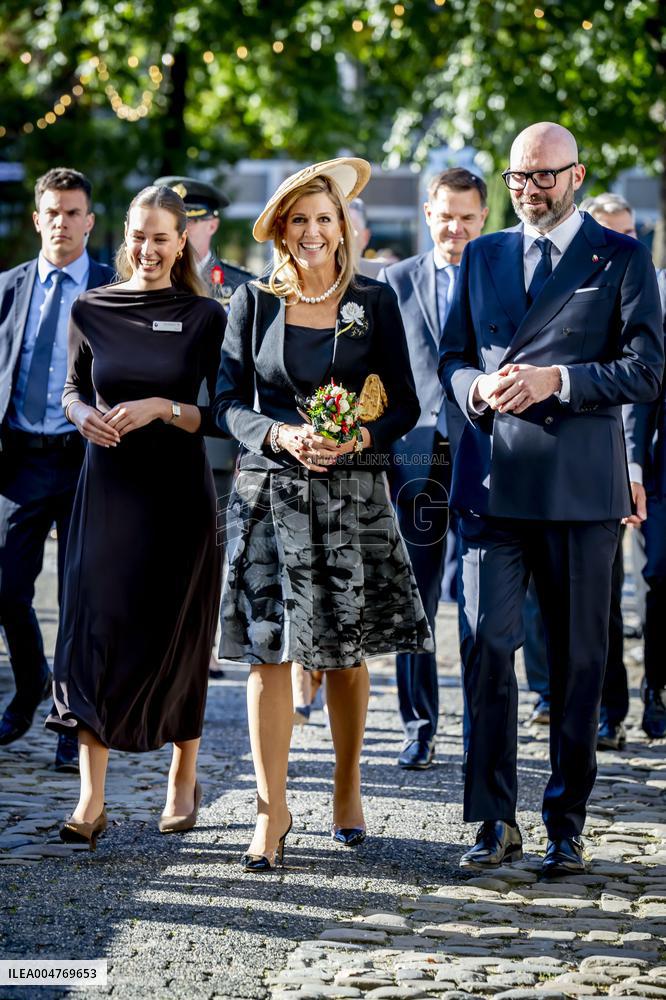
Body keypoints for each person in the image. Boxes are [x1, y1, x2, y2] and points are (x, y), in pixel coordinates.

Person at [440, 122, 663, 877]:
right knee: (483, 647)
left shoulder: (623, 256)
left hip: (578, 490)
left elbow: (645, 369)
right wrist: (475, 389)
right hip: (494, 486)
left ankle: (566, 823)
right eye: (518, 178)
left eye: (544, 177)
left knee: (576, 663)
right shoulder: (483, 253)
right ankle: (493, 819)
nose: (530, 191)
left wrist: (557, 382)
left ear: (577, 175)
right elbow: (451, 355)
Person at [213, 157, 432, 870]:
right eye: (300, 220)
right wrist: (279, 434)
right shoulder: (252, 302)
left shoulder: (376, 300)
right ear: (283, 229)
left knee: (346, 652)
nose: (313, 231)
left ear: (344, 229)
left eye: (324, 219)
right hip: (270, 492)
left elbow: (404, 402)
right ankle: (270, 811)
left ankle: (346, 785)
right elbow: (225, 403)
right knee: (267, 652)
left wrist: (357, 436)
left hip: (351, 495)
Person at [45, 185, 226, 850]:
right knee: (93, 628)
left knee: (178, 633)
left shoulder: (205, 317)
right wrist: (79, 415)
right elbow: (70, 388)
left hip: (179, 497)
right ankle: (90, 798)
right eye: (140, 237)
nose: (149, 250)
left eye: (162, 238)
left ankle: (184, 773)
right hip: (108, 492)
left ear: (183, 243)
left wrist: (160, 408)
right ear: (127, 239)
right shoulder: (90, 305)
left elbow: (219, 412)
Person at [0, 167, 113, 773]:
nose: (63, 223)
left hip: (86, 460)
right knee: (6, 589)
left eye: (74, 213)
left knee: (79, 600)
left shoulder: (110, 288)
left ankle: (73, 725)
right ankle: (29, 684)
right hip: (18, 460)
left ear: (89, 222)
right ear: (37, 218)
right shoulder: (9, 288)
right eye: (53, 212)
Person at [379, 168, 489, 770]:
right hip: (415, 453)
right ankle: (418, 724)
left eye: (468, 218)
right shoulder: (396, 280)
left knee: (480, 597)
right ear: (428, 214)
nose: (456, 228)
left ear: (483, 218)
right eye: (446, 216)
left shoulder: (501, 272)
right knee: (412, 598)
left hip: (483, 449)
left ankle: (480, 727)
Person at [154, 176, 254, 679]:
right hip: (148, 434)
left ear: (209, 223)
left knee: (207, 545)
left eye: (189, 218)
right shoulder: (146, 276)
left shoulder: (233, 283)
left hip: (211, 439)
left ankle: (201, 643)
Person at [624, 266, 666, 740]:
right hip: (662, 476)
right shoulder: (661, 296)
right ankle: (656, 690)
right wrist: (634, 468)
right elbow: (644, 398)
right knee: (660, 579)